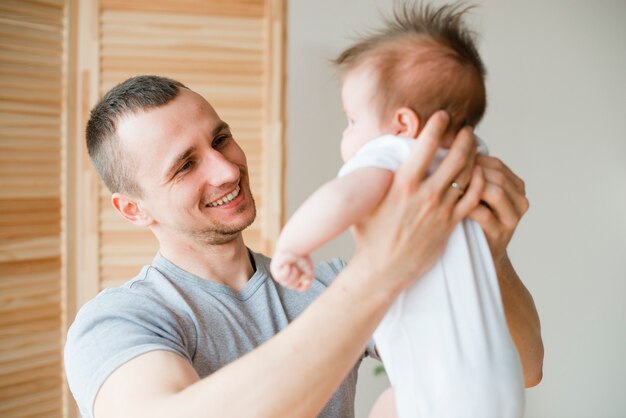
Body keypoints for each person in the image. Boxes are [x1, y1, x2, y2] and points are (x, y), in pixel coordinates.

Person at [64, 73, 542, 417]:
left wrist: (488, 254)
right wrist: (381, 270)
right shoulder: (116, 322)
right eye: (185, 165)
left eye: (221, 139)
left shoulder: (328, 284)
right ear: (133, 209)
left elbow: (523, 367)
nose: (227, 170)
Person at [270, 4, 529, 417]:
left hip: (440, 383)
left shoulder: (394, 153)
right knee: (388, 404)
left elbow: (341, 197)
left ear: (404, 124)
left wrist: (291, 245)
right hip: (500, 384)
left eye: (352, 120)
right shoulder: (468, 162)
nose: (346, 132)